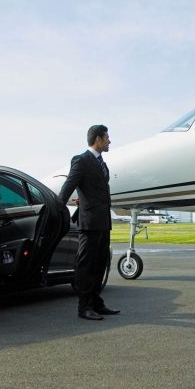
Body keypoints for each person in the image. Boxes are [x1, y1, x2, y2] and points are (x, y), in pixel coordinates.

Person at [59, 124, 119, 320]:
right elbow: (70, 184)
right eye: (107, 137)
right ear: (98, 139)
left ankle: (96, 303)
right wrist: (59, 208)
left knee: (100, 264)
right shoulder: (81, 160)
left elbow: (93, 190)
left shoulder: (102, 163)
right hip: (89, 222)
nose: (110, 141)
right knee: (86, 265)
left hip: (102, 221)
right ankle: (84, 307)